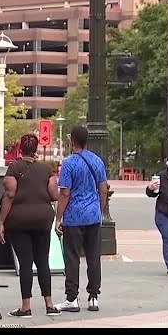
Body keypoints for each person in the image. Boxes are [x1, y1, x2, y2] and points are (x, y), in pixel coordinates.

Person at [0, 133, 61, 318]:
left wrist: (1, 222)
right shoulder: (46, 169)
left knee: (25, 263)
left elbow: (9, 194)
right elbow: (54, 195)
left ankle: (26, 307)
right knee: (42, 261)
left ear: (20, 149)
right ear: (36, 150)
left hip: (19, 221)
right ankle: (49, 304)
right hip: (42, 220)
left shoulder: (13, 168)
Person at [54, 126, 108, 313]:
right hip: (93, 215)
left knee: (72, 257)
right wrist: (99, 210)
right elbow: (103, 189)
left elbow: (65, 193)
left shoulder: (69, 164)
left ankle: (72, 298)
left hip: (73, 216)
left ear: (72, 141)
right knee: (94, 257)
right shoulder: (98, 161)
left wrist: (58, 217)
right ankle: (93, 296)